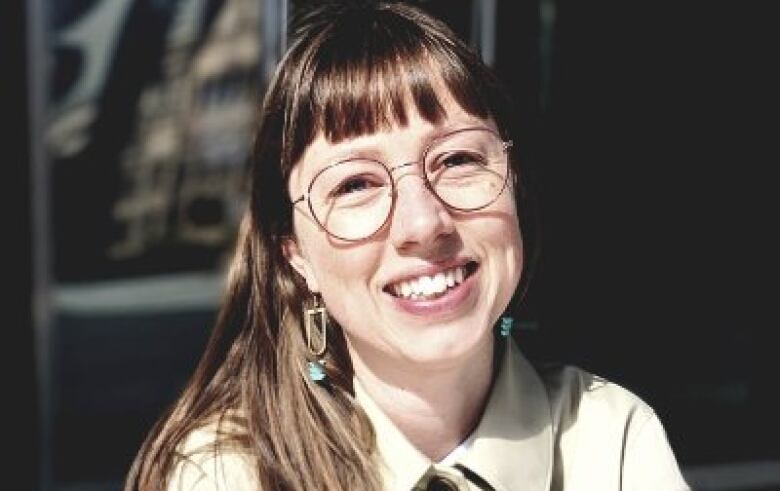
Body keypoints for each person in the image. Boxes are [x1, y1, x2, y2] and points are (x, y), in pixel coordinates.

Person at [125, 2, 690, 490]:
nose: (423, 223)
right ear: (294, 255)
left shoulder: (610, 439)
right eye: (355, 185)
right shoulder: (228, 473)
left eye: (458, 159)